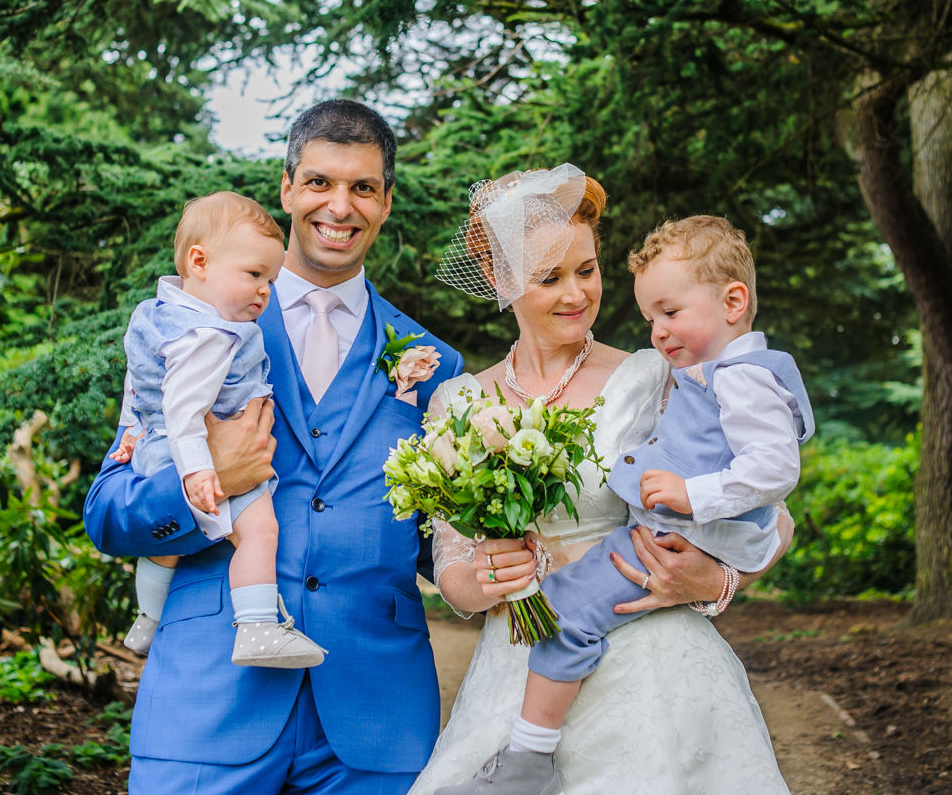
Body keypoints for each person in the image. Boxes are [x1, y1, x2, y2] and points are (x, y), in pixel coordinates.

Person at [84, 100, 464, 794]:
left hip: (375, 729)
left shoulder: (434, 363)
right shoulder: (185, 333)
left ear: (386, 203)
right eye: (319, 182)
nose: (339, 206)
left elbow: (441, 546)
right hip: (207, 707)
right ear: (287, 188)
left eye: (363, 188)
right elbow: (110, 512)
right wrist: (211, 480)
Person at [409, 165, 793, 795]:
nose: (576, 294)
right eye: (549, 277)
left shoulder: (655, 375)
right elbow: (449, 564)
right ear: (499, 280)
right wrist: (483, 577)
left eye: (587, 270)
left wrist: (718, 579)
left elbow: (773, 514)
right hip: (521, 662)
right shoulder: (458, 403)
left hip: (652, 661)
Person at [113, 191, 326, 669]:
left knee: (163, 553)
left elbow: (141, 382)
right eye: (254, 275)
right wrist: (199, 472)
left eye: (270, 279)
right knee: (258, 530)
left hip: (155, 449)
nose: (265, 291)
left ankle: (147, 617)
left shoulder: (153, 315)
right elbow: (185, 410)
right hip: (200, 460)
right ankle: (256, 628)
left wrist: (132, 430)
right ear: (199, 261)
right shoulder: (210, 335)